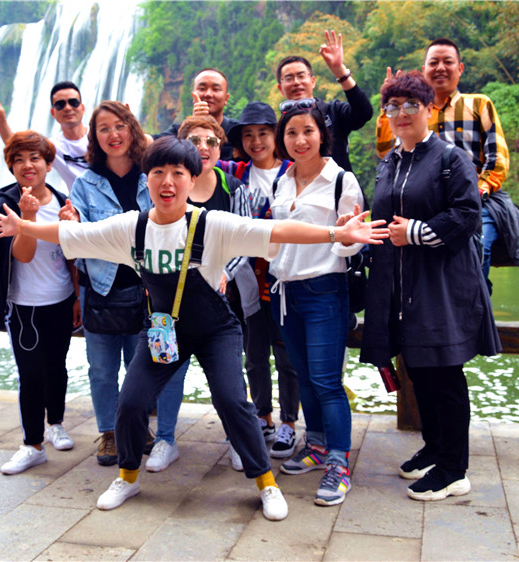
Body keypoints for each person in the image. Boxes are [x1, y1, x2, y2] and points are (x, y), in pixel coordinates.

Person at [0, 135, 389, 520]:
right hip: (164, 331)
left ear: (192, 180)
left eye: (178, 173)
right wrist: (24, 227)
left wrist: (338, 233)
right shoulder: (131, 227)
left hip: (216, 330)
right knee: (131, 403)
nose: (168, 182)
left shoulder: (212, 224)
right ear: (146, 179)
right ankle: (127, 477)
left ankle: (266, 483)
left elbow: (277, 231)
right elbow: (72, 233)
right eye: (158, 172)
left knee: (233, 402)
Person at [361, 71, 502, 501]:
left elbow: (467, 215)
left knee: (444, 373)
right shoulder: (391, 161)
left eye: (411, 105)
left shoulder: (450, 159)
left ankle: (454, 469)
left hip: (440, 286)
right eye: (393, 106)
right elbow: (382, 219)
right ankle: (435, 448)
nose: (401, 113)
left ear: (428, 109)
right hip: (401, 288)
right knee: (419, 370)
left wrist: (416, 232)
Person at [145, 116, 256, 473]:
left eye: (211, 141)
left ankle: (238, 441)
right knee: (169, 371)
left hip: (224, 300)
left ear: (221, 147)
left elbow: (247, 238)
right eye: (194, 140)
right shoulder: (169, 186)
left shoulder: (233, 188)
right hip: (172, 302)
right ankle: (165, 439)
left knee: (229, 379)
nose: (203, 148)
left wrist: (224, 271)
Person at [268, 104, 365, 507]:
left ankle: (339, 463)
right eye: (291, 132)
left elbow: (354, 243)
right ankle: (318, 446)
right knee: (304, 377)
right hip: (285, 292)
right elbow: (274, 236)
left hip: (325, 290)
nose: (300, 140)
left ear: (322, 134)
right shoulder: (282, 181)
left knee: (327, 381)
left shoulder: (341, 180)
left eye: (307, 131)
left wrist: (346, 237)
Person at [375, 38, 511, 293]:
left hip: (475, 201)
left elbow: (498, 161)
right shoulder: (411, 111)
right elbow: (386, 152)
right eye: (433, 62)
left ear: (460, 68)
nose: (440, 68)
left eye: (447, 62)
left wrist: (475, 191)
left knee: (475, 247)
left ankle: (473, 300)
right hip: (421, 199)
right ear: (424, 70)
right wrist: (389, 106)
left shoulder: (478, 104)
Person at [59, 101, 153, 466]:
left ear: (131, 129)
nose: (113, 134)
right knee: (101, 370)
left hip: (145, 289)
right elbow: (77, 239)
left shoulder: (151, 177)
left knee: (140, 368)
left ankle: (137, 427)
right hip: (100, 288)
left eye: (119, 126)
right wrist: (70, 222)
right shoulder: (85, 185)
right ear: (94, 137)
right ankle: (110, 433)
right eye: (103, 129)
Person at [0, 130, 79, 475]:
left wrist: (77, 295)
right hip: (24, 305)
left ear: (48, 165)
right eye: (19, 160)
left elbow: (71, 255)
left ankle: (56, 424)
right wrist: (28, 218)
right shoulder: (6, 204)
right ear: (11, 167)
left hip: (61, 299)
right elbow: (22, 256)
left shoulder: (63, 201)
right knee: (31, 374)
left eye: (35, 158)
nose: (27, 165)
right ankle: (33, 444)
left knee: (57, 367)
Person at [223, 102, 300, 459]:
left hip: (285, 280)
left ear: (276, 136)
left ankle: (289, 423)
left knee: (287, 355)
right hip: (246, 283)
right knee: (253, 355)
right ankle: (263, 416)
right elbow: (199, 156)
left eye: (264, 134)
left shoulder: (293, 172)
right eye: (248, 135)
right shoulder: (235, 172)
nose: (256, 142)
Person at [275, 30, 374, 173]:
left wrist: (340, 72)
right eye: (289, 78)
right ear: (280, 88)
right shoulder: (280, 127)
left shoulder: (333, 112)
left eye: (301, 76)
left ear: (313, 81)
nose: (296, 82)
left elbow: (364, 112)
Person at [0, 82, 90, 191]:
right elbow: (17, 147)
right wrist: (1, 121)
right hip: (79, 201)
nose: (68, 108)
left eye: (73, 102)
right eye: (60, 104)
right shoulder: (54, 146)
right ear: (53, 112)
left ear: (83, 108)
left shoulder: (97, 137)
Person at [155, 68, 239, 160]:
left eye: (216, 89)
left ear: (226, 98)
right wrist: (192, 125)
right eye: (202, 89)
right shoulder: (179, 131)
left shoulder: (238, 132)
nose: (208, 94)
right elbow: (148, 144)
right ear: (193, 95)